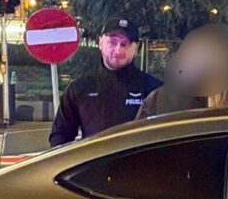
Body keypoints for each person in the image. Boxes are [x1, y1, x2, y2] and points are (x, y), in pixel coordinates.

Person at [49, 17, 162, 146]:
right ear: (101, 43)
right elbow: (60, 136)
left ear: (135, 48)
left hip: (138, 164)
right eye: (112, 42)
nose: (118, 50)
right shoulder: (80, 88)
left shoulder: (153, 89)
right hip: (94, 164)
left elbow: (165, 137)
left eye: (125, 44)